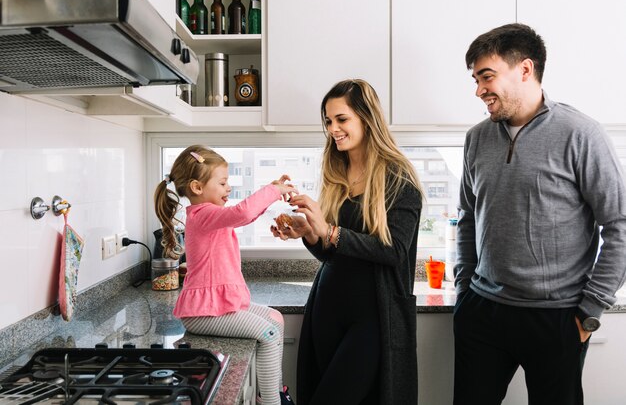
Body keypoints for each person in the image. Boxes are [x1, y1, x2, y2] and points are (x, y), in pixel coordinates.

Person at [454, 23, 626, 405]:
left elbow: (619, 224)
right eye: (476, 79)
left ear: (525, 70)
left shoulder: (581, 134)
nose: (479, 90)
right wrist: (464, 289)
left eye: (487, 76)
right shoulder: (476, 138)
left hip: (557, 318)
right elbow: (467, 217)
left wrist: (591, 310)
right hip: (483, 313)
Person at [271, 79, 424, 405]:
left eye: (342, 119)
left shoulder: (400, 180)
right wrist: (309, 233)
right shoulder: (335, 171)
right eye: (328, 121)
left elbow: (394, 251)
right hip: (327, 307)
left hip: (373, 317)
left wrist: (329, 232)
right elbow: (332, 253)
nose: (333, 129)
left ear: (367, 119)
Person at [154, 145, 297, 405]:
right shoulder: (202, 215)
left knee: (275, 318)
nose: (228, 188)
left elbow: (244, 216)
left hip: (215, 306)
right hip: (203, 314)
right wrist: (274, 191)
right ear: (197, 187)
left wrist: (272, 194)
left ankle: (276, 391)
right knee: (270, 334)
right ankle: (270, 402)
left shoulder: (211, 216)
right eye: (222, 183)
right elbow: (241, 212)